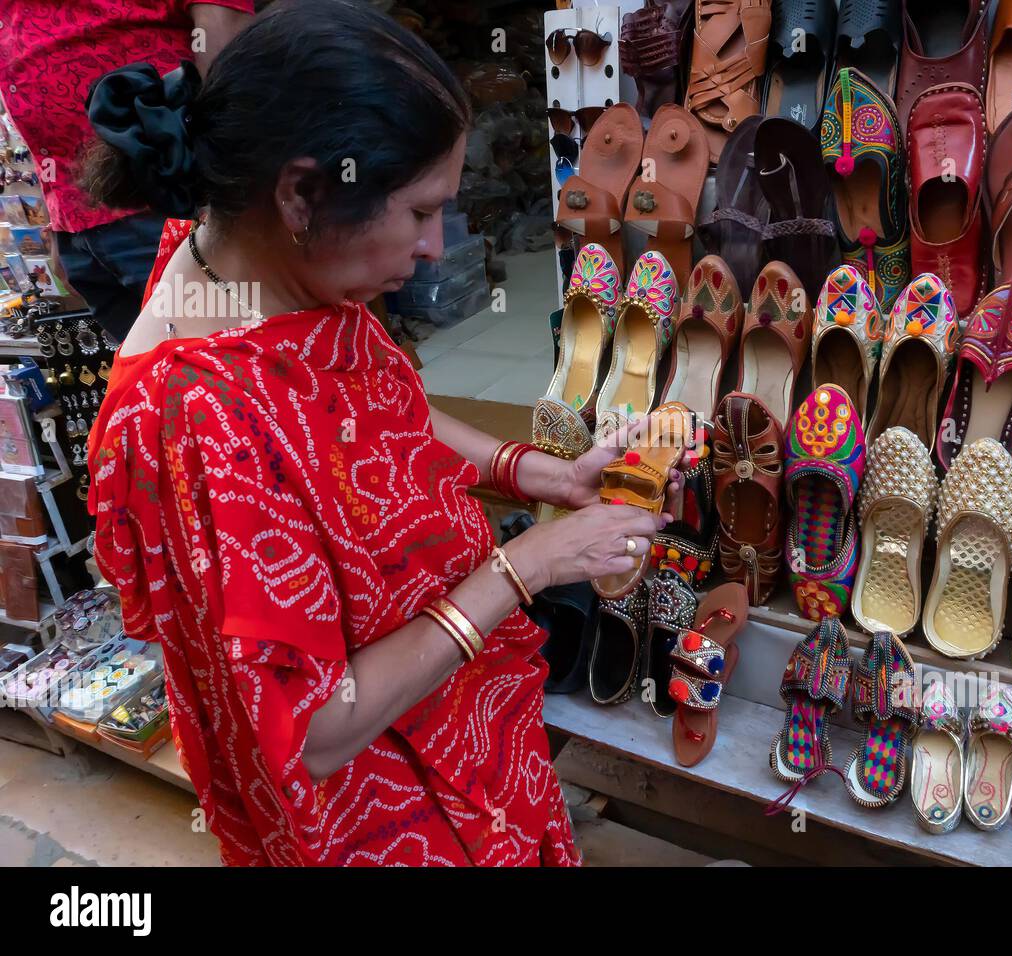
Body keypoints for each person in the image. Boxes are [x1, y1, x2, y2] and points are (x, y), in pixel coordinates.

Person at [85, 0, 673, 866]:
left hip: (443, 707)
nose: (438, 247)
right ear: (300, 192)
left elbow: (372, 410)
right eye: (420, 211)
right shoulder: (197, 421)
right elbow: (317, 730)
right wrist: (531, 565)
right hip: (377, 806)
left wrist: (535, 475)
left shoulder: (250, 266)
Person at [0, 0, 253, 342]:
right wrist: (60, 221)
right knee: (151, 372)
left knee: (225, 354)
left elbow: (229, 52)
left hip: (169, 203)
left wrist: (223, 188)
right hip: (79, 219)